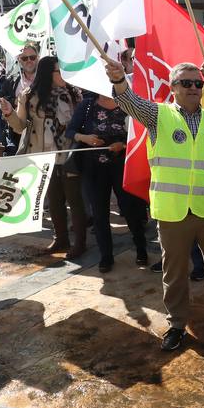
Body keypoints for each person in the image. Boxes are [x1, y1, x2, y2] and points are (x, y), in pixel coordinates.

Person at [108, 60, 204, 350]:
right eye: (186, 83)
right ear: (173, 87)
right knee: (175, 274)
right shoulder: (158, 115)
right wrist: (119, 81)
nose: (193, 87)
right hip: (172, 211)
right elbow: (129, 102)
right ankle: (177, 324)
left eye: (198, 83)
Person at [67, 56, 149, 273]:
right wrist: (85, 138)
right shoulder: (87, 105)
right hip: (93, 168)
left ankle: (141, 248)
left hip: (123, 166)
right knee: (99, 213)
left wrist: (123, 145)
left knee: (130, 210)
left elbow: (141, 133)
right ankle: (106, 256)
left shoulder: (128, 104)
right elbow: (70, 131)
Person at [1, 56, 88, 259]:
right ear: (48, 73)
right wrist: (9, 113)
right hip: (44, 156)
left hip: (70, 154)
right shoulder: (29, 96)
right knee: (54, 201)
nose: (64, 75)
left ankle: (80, 243)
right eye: (59, 71)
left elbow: (81, 123)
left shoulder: (74, 93)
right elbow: (20, 126)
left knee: (75, 200)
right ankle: (61, 239)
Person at [0, 44, 40, 155]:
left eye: (32, 57)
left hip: (42, 135)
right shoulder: (11, 80)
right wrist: (16, 101)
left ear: (38, 58)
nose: (29, 61)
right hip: (18, 134)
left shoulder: (48, 79)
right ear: (19, 60)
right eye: (24, 58)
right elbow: (1, 99)